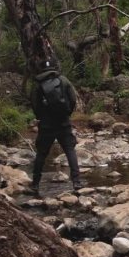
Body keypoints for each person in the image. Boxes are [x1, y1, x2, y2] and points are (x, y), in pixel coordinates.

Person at [30, 60, 83, 195]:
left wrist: (41, 117)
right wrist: (66, 114)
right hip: (63, 122)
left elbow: (35, 105)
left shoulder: (37, 84)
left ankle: (35, 184)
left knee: (41, 154)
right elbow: (72, 100)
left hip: (46, 125)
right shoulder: (63, 80)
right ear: (54, 67)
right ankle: (76, 182)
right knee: (70, 150)